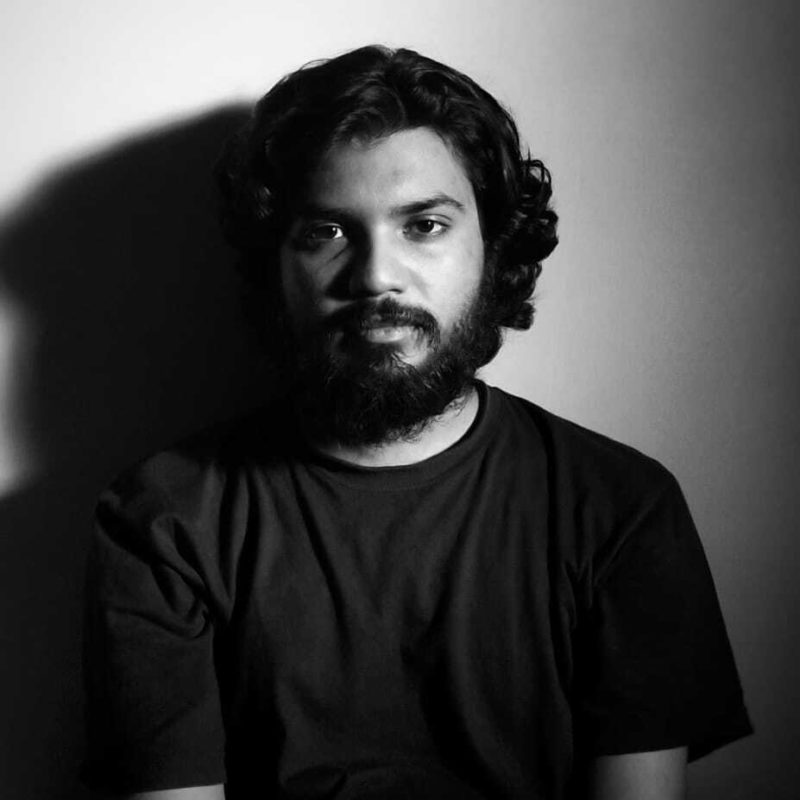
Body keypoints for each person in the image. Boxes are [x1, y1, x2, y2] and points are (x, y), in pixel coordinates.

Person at [81, 45, 752, 799]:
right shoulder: (165, 521)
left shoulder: (619, 508)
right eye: (327, 232)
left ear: (492, 248)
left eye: (425, 225)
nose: (376, 276)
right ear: (274, 263)